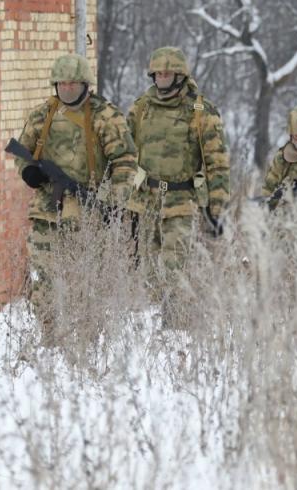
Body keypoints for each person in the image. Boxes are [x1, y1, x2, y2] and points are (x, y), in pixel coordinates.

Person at [13, 53, 136, 344]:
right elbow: (22, 152)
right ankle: (51, 339)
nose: (67, 89)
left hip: (90, 212)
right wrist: (30, 172)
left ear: (85, 85)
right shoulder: (42, 115)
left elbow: (126, 161)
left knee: (86, 282)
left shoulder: (106, 116)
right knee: (45, 280)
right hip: (47, 212)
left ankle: (85, 343)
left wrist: (111, 201)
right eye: (62, 83)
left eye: (74, 83)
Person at [127, 47, 230, 324]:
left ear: (180, 75)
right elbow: (125, 154)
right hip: (146, 199)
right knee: (147, 268)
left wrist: (216, 209)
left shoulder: (200, 111)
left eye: (167, 73)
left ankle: (178, 326)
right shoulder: (141, 108)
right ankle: (162, 320)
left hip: (182, 199)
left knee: (174, 266)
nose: (161, 78)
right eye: (157, 73)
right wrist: (122, 200)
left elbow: (217, 163)